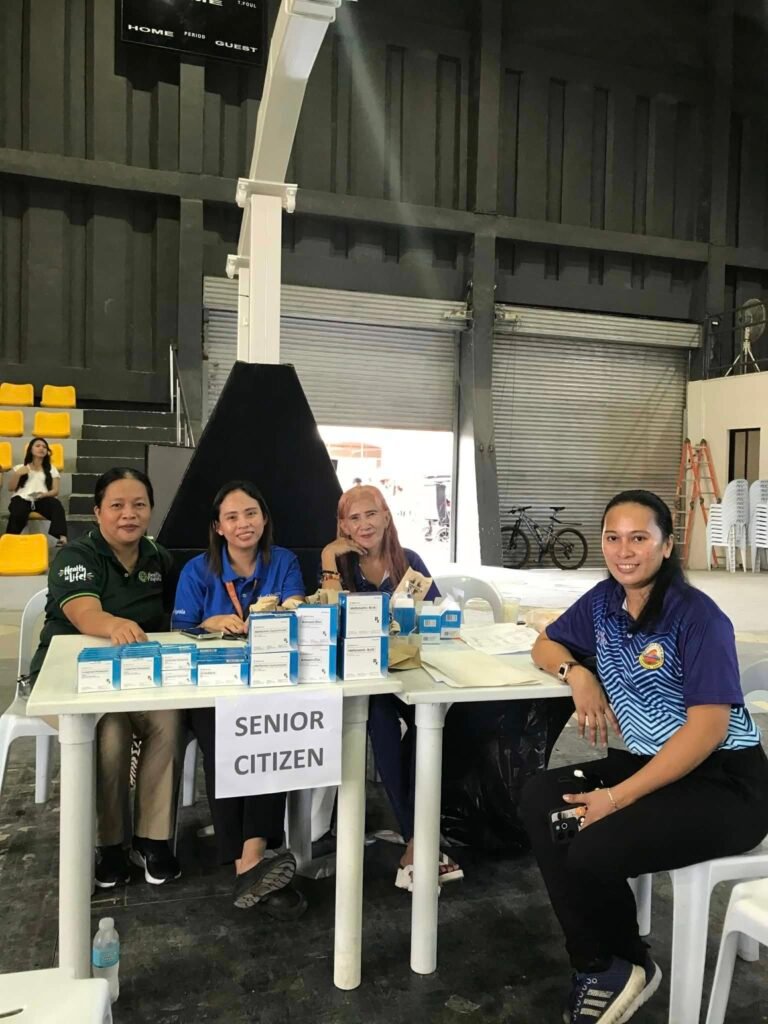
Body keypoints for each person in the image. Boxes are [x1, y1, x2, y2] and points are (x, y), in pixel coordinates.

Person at [519, 489, 768, 1024]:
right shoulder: (604, 602)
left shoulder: (698, 618)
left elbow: (707, 731)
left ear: (666, 545)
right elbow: (545, 644)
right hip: (651, 766)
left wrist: (614, 798)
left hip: (725, 784)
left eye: (639, 538)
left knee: (590, 845)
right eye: (613, 538)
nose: (624, 551)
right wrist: (577, 674)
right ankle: (607, 962)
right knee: (541, 797)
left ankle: (618, 962)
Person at [28, 467, 184, 888]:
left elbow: (179, 612)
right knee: (110, 727)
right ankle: (108, 843)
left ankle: (151, 840)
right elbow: (85, 614)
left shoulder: (158, 558)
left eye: (139, 505)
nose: (128, 514)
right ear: (98, 512)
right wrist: (114, 624)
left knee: (170, 718)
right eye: (117, 505)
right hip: (67, 679)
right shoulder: (76, 556)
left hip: (135, 677)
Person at [172, 480, 308, 919]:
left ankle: (249, 861)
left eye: (251, 513)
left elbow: (298, 608)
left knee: (274, 731)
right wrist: (209, 623)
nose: (243, 523)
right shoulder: (197, 570)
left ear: (264, 518)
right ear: (218, 527)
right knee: (222, 738)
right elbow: (179, 631)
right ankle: (250, 865)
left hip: (269, 681)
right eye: (231, 517)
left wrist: (279, 614)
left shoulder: (283, 561)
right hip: (212, 687)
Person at [320, 484, 463, 890]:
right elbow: (329, 620)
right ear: (343, 525)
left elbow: (436, 614)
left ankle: (417, 836)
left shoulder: (409, 561)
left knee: (429, 721)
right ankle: (417, 837)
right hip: (362, 677)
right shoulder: (340, 565)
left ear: (386, 517)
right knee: (379, 719)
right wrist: (328, 557)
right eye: (354, 518)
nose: (364, 524)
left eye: (371, 514)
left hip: (408, 670)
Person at [5, 437, 68, 545]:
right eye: (38, 446)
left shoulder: (51, 469)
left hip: (41, 498)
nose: (41, 448)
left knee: (56, 505)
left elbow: (55, 490)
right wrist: (18, 474)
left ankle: (62, 537)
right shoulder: (20, 467)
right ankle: (10, 540)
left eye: (44, 447)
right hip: (22, 498)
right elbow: (11, 488)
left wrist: (43, 495)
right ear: (31, 449)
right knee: (18, 511)